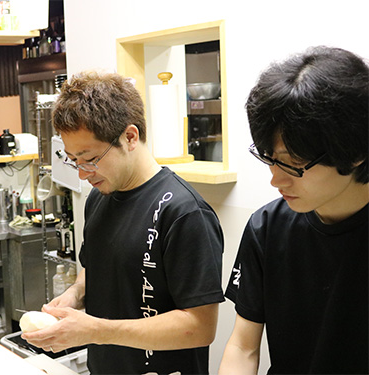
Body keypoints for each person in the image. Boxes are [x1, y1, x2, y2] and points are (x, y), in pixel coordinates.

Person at [22, 71, 225, 374]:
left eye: (89, 158)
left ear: (130, 137)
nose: (82, 172)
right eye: (73, 159)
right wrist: (75, 295)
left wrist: (96, 330)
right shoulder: (99, 197)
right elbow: (98, 268)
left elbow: (200, 326)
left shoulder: (183, 213)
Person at [219, 46, 368, 374]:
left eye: (294, 163)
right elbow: (243, 347)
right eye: (270, 158)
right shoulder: (267, 227)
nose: (275, 179)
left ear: (356, 149)